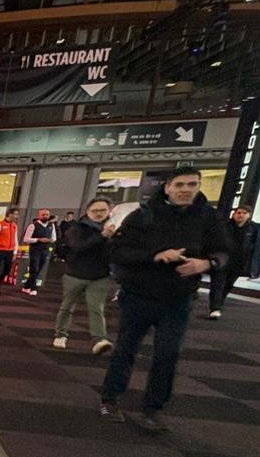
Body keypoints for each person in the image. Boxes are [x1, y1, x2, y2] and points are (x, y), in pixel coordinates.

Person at [98, 168, 230, 432]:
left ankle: (153, 408)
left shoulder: (208, 218)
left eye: (192, 184)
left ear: (199, 186)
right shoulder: (143, 215)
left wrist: (207, 263)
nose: (185, 189)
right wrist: (155, 256)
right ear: (167, 187)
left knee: (168, 354)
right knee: (126, 349)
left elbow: (225, 252)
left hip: (179, 297)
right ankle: (110, 399)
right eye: (179, 184)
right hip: (139, 294)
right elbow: (118, 251)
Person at [51, 199, 116, 354]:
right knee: (67, 306)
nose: (99, 214)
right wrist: (102, 236)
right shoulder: (77, 228)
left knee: (96, 308)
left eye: (103, 210)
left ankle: (99, 339)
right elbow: (78, 247)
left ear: (109, 211)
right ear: (88, 212)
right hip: (75, 273)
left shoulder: (115, 229)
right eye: (95, 211)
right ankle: (60, 334)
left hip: (100, 275)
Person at [209, 207, 258, 317]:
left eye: (244, 213)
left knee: (229, 284)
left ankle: (219, 302)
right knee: (217, 283)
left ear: (249, 215)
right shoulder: (224, 226)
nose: (241, 215)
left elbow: (256, 246)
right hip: (222, 259)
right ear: (234, 214)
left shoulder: (253, 229)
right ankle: (215, 308)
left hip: (239, 261)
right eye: (238, 212)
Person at [19, 209, 57, 295]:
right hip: (35, 249)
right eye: (43, 215)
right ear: (39, 215)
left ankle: (27, 286)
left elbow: (54, 237)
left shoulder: (51, 225)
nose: (45, 216)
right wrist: (38, 239)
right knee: (34, 267)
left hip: (45, 249)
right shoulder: (33, 225)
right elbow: (26, 239)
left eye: (47, 215)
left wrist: (50, 240)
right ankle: (33, 288)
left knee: (39, 268)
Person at [0, 208, 20, 295]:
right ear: (9, 214)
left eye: (17, 214)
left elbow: (15, 239)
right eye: (15, 214)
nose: (17, 216)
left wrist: (15, 252)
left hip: (10, 251)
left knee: (7, 270)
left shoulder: (14, 225)